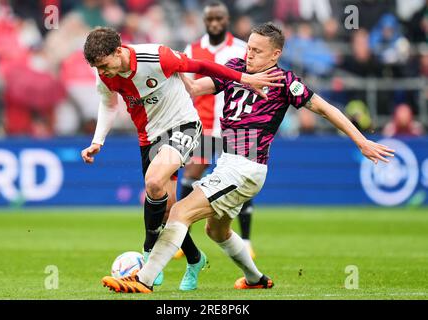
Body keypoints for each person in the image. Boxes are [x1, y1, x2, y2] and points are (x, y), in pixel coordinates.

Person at [100, 22, 395, 294]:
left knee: (179, 212)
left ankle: (143, 280)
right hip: (228, 161)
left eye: (256, 50)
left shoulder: (285, 81)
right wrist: (171, 72)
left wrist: (361, 141)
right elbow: (196, 87)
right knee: (216, 230)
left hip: (247, 166)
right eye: (248, 47)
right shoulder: (236, 68)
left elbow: (325, 108)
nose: (249, 54)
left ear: (275, 54)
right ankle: (255, 279)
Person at [80, 27, 283, 291]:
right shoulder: (104, 76)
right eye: (97, 67)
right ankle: (196, 259)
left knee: (153, 183)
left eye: (105, 65)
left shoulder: (156, 57)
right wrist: (98, 141)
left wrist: (245, 78)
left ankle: (148, 256)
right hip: (149, 138)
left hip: (182, 126)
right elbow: (108, 105)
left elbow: (202, 65)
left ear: (118, 51)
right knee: (168, 210)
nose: (103, 72)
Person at [178, 1, 256, 260]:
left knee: (241, 178)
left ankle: (246, 240)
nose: (214, 23)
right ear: (204, 21)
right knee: (192, 174)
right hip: (203, 123)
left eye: (219, 18)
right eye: (210, 19)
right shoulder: (193, 48)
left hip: (237, 124)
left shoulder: (242, 49)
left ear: (227, 19)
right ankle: (182, 238)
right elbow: (187, 84)